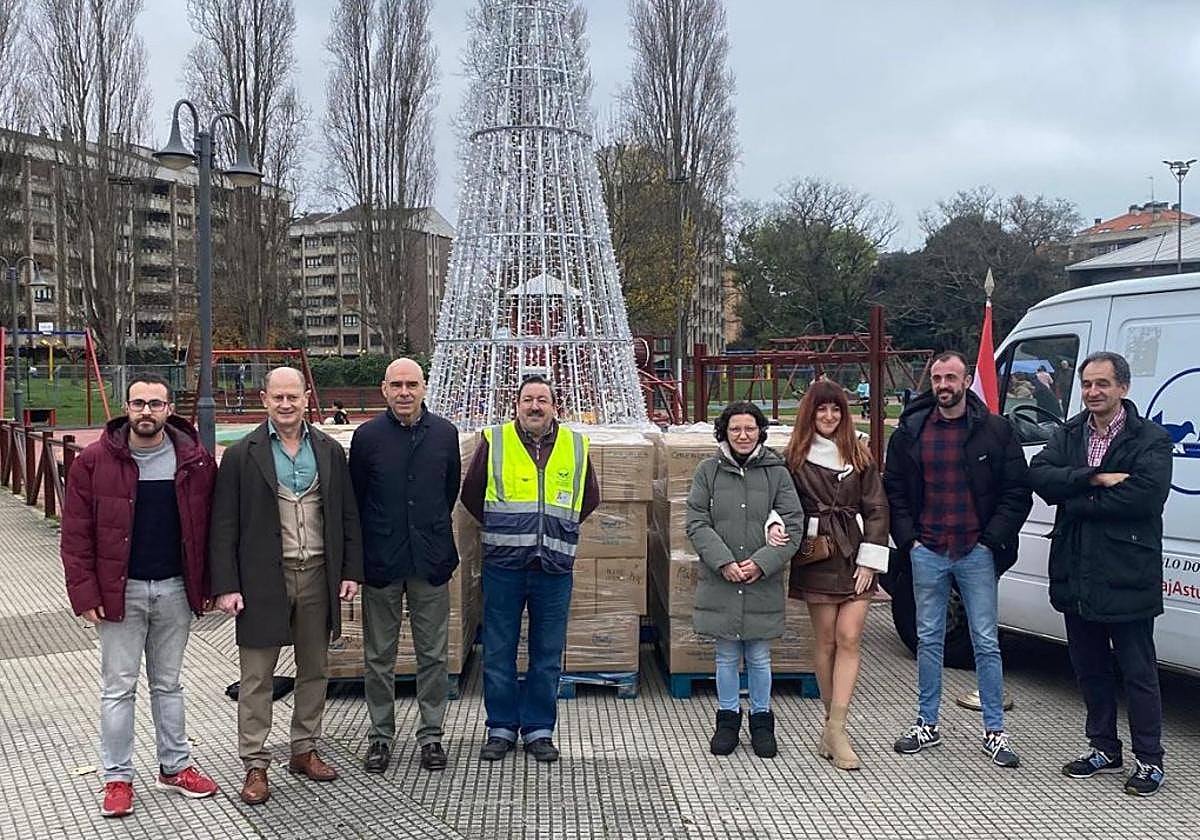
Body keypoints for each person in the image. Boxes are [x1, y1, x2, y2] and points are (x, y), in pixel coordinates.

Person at [61, 374, 219, 818]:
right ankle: (117, 778)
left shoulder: (195, 459)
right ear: (125, 407)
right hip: (120, 592)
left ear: (169, 409)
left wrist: (205, 585)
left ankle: (175, 766)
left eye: (155, 403)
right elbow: (75, 536)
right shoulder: (94, 462)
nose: (146, 411)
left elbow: (208, 529)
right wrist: (85, 592)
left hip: (173, 588)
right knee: (118, 689)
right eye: (138, 403)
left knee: (169, 684)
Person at [210, 366, 363, 805]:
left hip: (318, 575)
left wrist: (350, 571)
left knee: (314, 668)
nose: (285, 404)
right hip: (262, 582)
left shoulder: (330, 451)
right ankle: (255, 763)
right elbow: (223, 525)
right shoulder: (243, 455)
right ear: (264, 399)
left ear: (305, 397)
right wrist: (227, 584)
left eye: (292, 396)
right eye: (277, 397)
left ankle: (304, 748)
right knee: (256, 676)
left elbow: (346, 515)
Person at [1027, 351, 1173, 796]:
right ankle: (1104, 747)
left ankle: (1149, 760)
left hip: (1126, 570)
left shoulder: (1151, 438)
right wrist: (1092, 478)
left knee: (1137, 670)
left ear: (1123, 388)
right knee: (1089, 667)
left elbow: (1143, 498)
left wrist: (1073, 498)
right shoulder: (1070, 432)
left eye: (1102, 384)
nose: (1093, 392)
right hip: (1077, 569)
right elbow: (1040, 475)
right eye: (1088, 384)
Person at [883, 350, 1031, 768]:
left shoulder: (996, 431)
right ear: (930, 382)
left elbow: (1016, 491)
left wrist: (991, 541)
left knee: (986, 641)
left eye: (952, 377)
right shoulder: (911, 431)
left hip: (975, 552)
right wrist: (909, 540)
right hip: (927, 550)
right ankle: (927, 723)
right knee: (929, 639)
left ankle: (995, 731)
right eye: (937, 378)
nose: (944, 385)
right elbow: (893, 488)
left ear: (967, 381)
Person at [460, 374, 599, 763]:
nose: (535, 406)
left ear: (555, 407)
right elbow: (472, 495)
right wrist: (509, 528)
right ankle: (501, 728)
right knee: (499, 650)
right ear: (516, 404)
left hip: (553, 566)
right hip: (503, 565)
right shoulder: (495, 441)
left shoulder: (575, 444)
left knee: (547, 653)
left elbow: (589, 497)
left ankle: (539, 729)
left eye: (542, 400)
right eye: (527, 399)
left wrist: (557, 528)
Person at [349, 358, 461, 774]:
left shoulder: (445, 435)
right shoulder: (367, 438)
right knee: (379, 655)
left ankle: (431, 735)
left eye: (411, 384)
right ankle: (381, 735)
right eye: (396, 385)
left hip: (430, 559)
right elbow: (357, 498)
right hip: (382, 560)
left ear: (424, 387)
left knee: (433, 654)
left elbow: (448, 491)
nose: (404, 392)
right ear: (383, 389)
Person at [685, 400, 804, 759]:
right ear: (725, 431)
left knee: (759, 654)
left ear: (760, 432)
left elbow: (793, 524)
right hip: (721, 577)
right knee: (724, 654)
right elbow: (696, 521)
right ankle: (727, 719)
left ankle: (762, 721)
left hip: (760, 579)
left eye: (749, 428)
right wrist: (723, 562)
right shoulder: (708, 472)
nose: (742, 434)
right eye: (735, 428)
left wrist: (761, 563)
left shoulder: (777, 473)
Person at [781, 380, 889, 770]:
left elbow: (877, 507)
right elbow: (783, 505)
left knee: (850, 636)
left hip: (856, 554)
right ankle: (832, 727)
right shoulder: (794, 458)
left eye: (836, 410)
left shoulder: (859, 454)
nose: (829, 417)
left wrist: (870, 560)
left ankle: (838, 726)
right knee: (825, 640)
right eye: (821, 410)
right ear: (810, 414)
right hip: (818, 557)